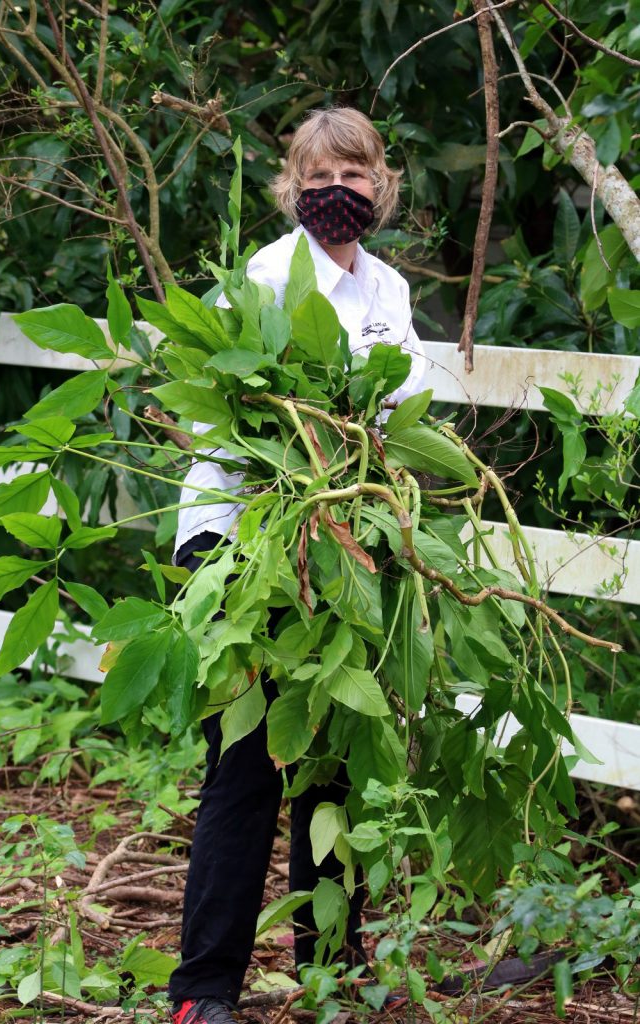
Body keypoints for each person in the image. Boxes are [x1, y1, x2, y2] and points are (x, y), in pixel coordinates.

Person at [168, 107, 427, 1024]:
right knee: (245, 766)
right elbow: (250, 412)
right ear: (292, 185)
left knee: (332, 760)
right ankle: (204, 991)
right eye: (321, 175)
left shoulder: (388, 291)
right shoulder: (266, 276)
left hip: (337, 539)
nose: (338, 193)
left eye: (356, 177)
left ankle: (331, 969)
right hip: (242, 535)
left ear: (382, 187)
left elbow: (401, 412)